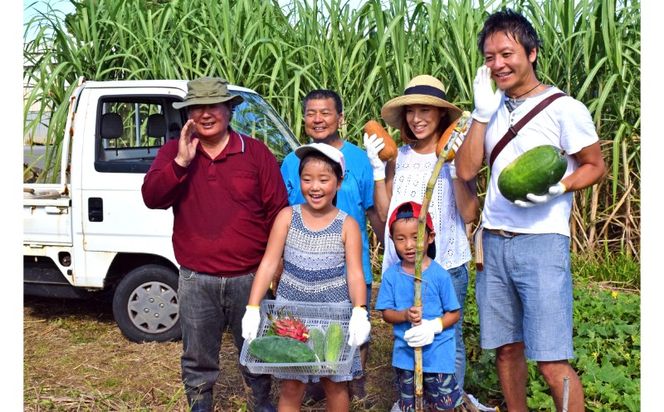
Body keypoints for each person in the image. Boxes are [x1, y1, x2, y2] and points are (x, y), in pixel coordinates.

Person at [454, 9, 606, 412]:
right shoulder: (490, 109)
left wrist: (560, 186)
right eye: (489, 57)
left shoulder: (564, 108)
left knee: (551, 360)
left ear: (532, 52)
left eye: (507, 54)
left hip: (542, 244)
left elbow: (595, 165)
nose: (498, 64)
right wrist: (482, 113)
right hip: (493, 244)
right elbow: (466, 170)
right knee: (506, 351)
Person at [141, 76, 288, 412]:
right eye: (197, 108)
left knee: (257, 348)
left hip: (249, 276)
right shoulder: (173, 152)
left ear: (228, 111)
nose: (206, 114)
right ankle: (200, 404)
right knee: (197, 355)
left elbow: (277, 210)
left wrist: (275, 262)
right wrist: (181, 162)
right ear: (188, 115)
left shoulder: (255, 153)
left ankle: (259, 402)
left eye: (213, 106)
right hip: (196, 277)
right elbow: (152, 198)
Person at [363, 75, 480, 395]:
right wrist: (377, 170)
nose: (417, 119)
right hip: (403, 265)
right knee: (407, 330)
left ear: (441, 115)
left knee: (448, 336)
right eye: (412, 111)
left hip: (446, 262)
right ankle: (413, 396)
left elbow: (470, 214)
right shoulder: (397, 158)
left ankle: (449, 400)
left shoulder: (455, 156)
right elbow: (387, 215)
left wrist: (455, 168)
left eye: (426, 111)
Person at [242, 143, 371, 412]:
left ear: (339, 182)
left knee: (334, 383)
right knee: (291, 385)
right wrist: (253, 307)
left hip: (333, 313)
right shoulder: (287, 217)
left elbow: (355, 273)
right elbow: (268, 263)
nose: (315, 187)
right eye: (306, 179)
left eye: (324, 180)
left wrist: (359, 311)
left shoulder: (347, 224)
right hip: (292, 315)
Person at [280, 89, 381, 399]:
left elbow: (373, 210)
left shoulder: (360, 160)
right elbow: (284, 215)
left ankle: (354, 382)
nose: (318, 119)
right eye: (311, 113)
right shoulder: (290, 162)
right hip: (304, 266)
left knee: (352, 331)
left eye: (325, 113)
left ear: (340, 118)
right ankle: (312, 382)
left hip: (351, 263)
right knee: (309, 328)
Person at [375, 201, 463, 412]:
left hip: (438, 356)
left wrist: (433, 326)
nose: (409, 245)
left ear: (430, 237)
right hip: (405, 356)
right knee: (410, 405)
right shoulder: (391, 276)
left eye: (417, 237)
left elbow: (454, 313)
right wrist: (404, 315)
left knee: (443, 405)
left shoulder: (439, 275)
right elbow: (386, 314)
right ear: (392, 241)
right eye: (401, 239)